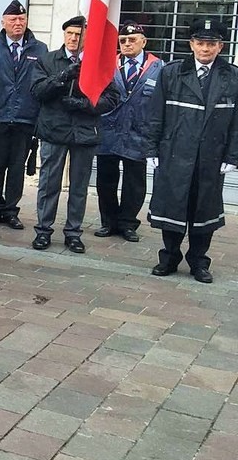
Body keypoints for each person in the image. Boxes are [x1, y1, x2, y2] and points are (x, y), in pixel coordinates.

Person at [146, 18, 238, 283]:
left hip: (211, 158)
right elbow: (155, 114)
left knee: (204, 211)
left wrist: (232, 156)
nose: (205, 49)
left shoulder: (232, 77)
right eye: (200, 43)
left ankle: (199, 261)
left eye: (211, 44)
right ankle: (169, 258)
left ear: (220, 46)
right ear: (191, 44)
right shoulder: (172, 73)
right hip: (175, 154)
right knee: (172, 207)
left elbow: (236, 123)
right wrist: (151, 148)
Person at [30, 15, 120, 253]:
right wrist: (62, 77)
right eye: (69, 33)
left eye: (78, 35)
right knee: (49, 184)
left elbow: (112, 98)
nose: (73, 38)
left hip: (85, 132)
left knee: (79, 187)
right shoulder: (48, 60)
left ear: (87, 38)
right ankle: (43, 230)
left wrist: (85, 105)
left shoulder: (98, 63)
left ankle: (73, 233)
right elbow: (37, 91)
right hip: (54, 131)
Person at [0, 0, 47, 229]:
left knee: (17, 168)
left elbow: (40, 86)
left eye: (21, 19)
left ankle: (11, 211)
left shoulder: (40, 49)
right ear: (3, 23)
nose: (18, 23)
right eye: (13, 20)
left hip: (25, 119)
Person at [96, 21, 163, 243]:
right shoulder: (108, 64)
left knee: (135, 182)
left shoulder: (159, 67)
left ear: (144, 42)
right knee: (106, 180)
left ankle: (127, 223)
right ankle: (109, 222)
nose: (127, 44)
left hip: (139, 133)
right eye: (123, 40)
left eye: (132, 40)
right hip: (109, 130)